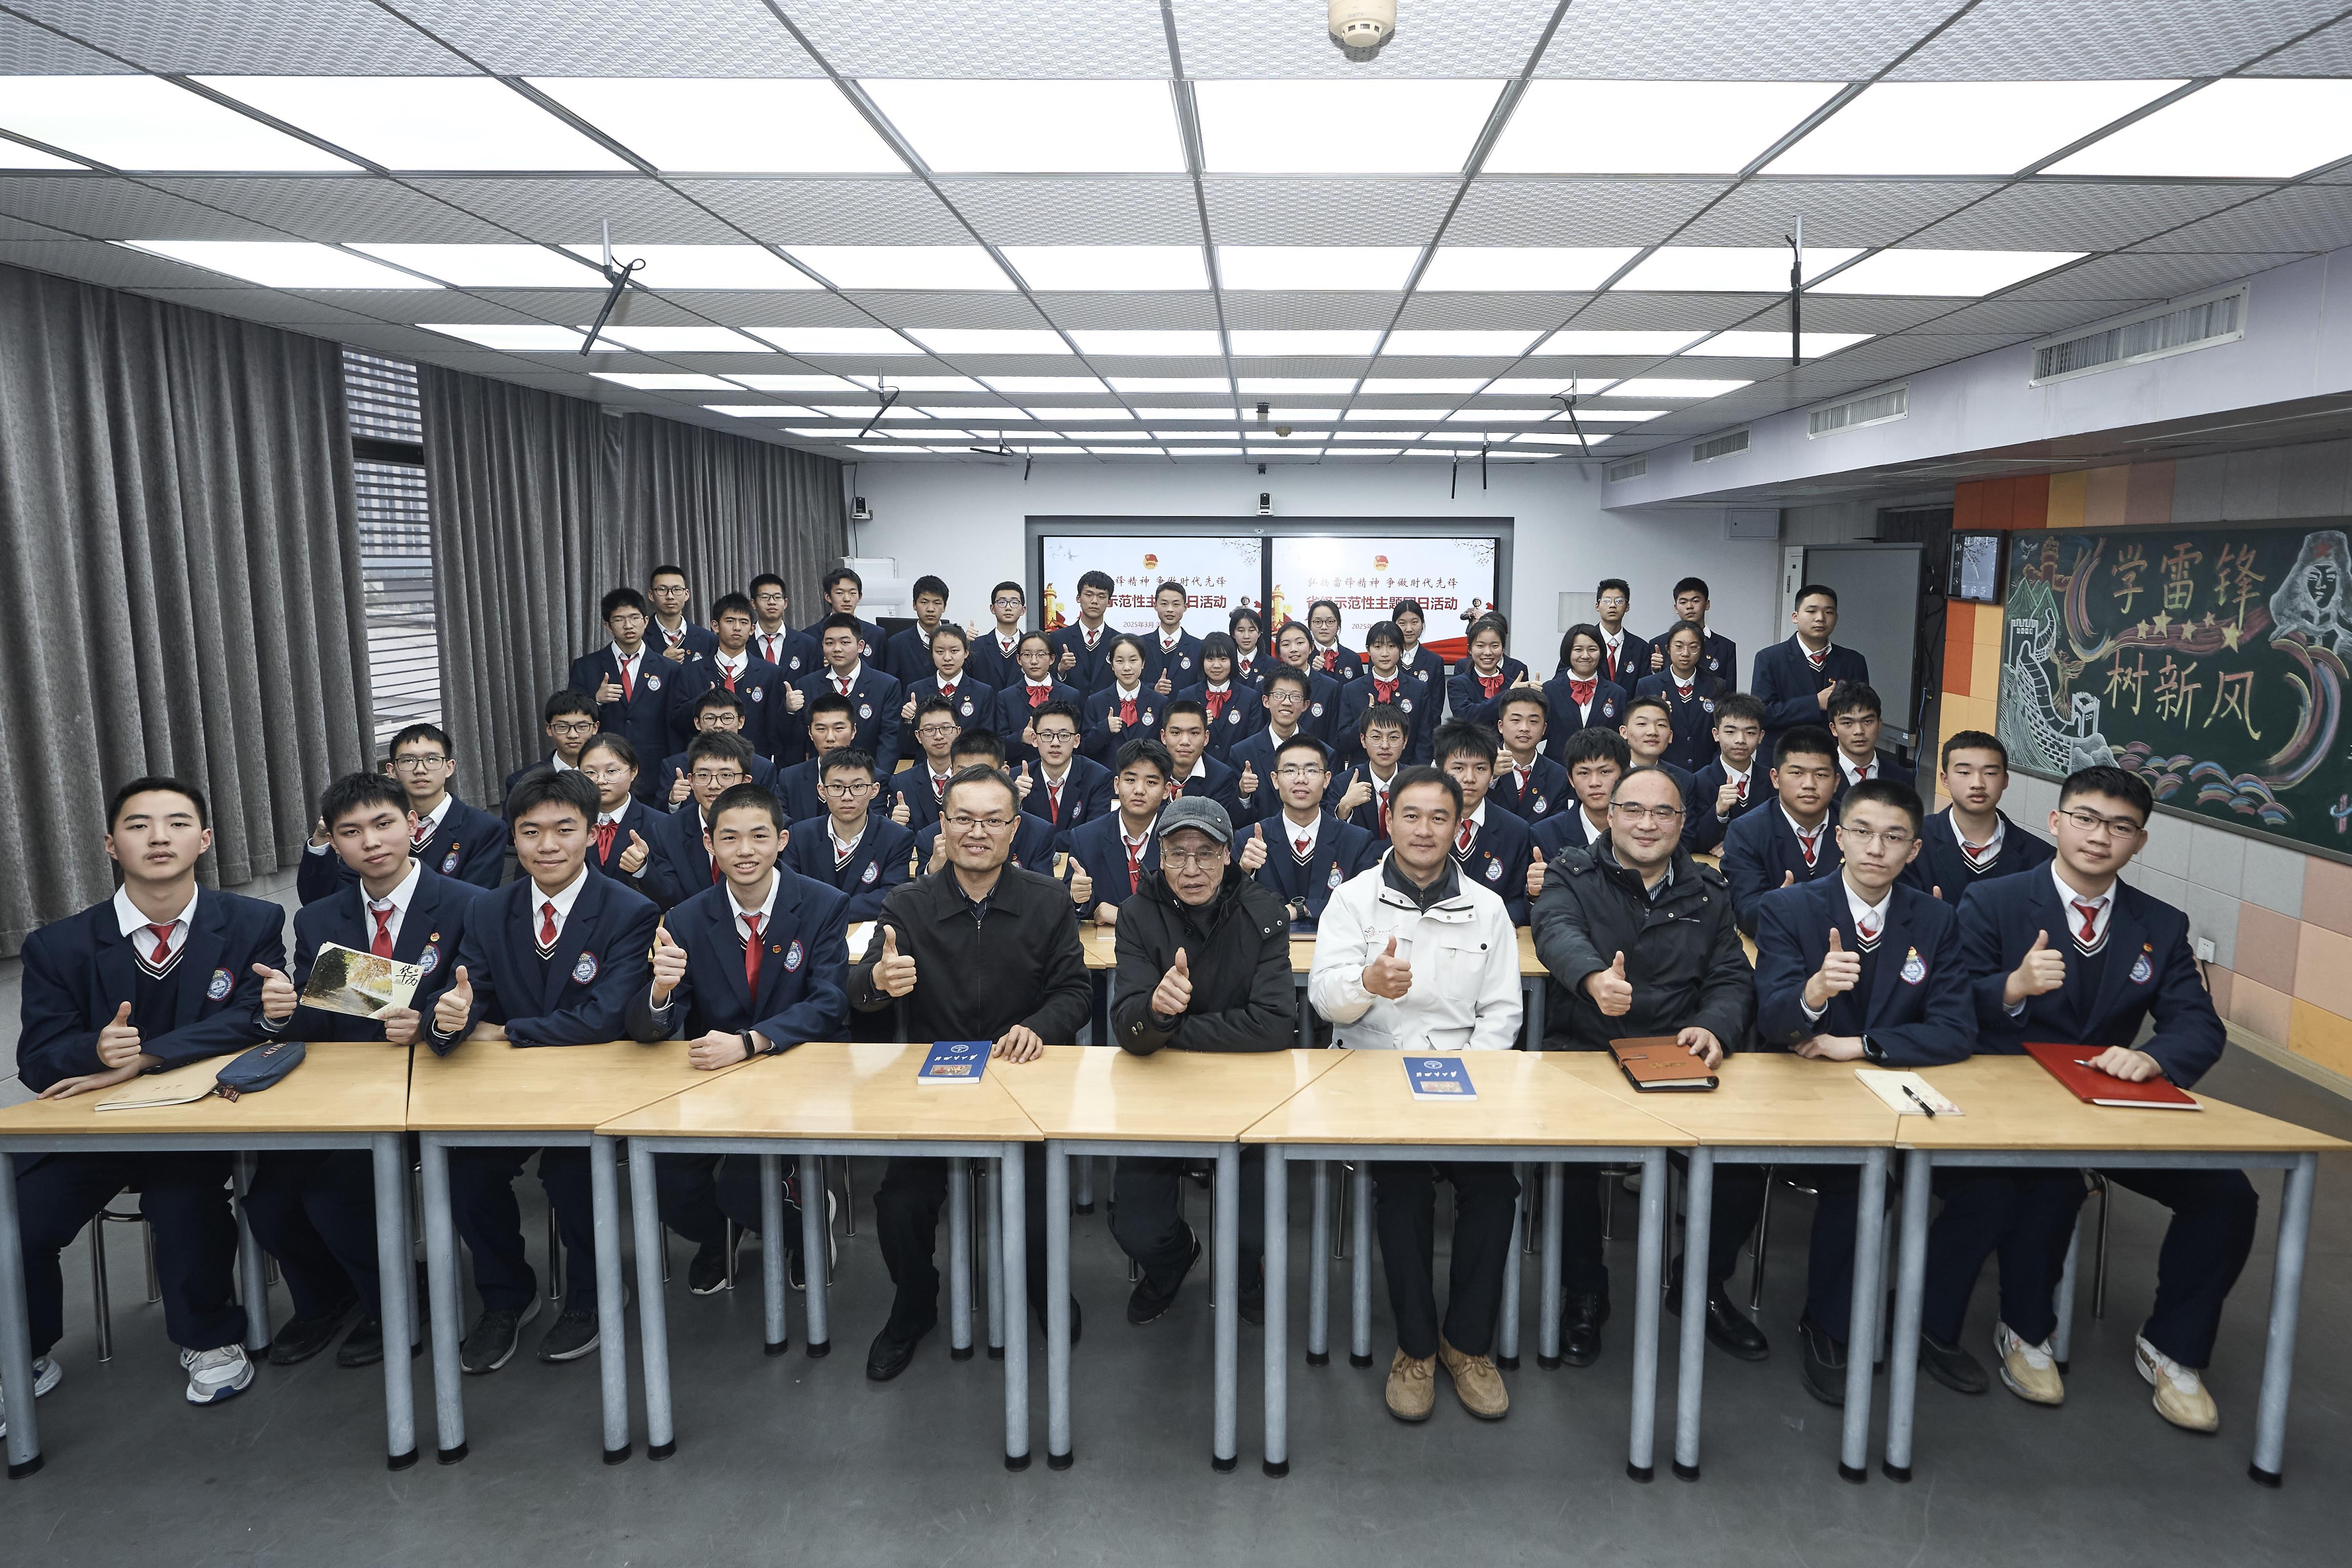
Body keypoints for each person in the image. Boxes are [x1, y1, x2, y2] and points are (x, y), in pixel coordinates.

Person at [1954, 766, 2246, 1432]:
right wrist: (2012, 987)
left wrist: (2155, 1056)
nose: (2098, 836)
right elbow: (1948, 1004)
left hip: (2110, 1103)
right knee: (2051, 1185)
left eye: (2119, 826)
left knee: (2226, 1193)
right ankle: (2026, 1334)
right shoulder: (1993, 902)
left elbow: (2198, 1024)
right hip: (2015, 1100)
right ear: (2055, 823)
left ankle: (2172, 1347)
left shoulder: (2161, 924)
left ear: (2139, 842)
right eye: (2084, 818)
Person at [11, 778, 286, 1417]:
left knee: (185, 1202)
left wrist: (145, 1056)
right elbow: (37, 1060)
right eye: (138, 825)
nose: (159, 836)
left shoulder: (252, 921)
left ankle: (209, 1336)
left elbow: (256, 1017)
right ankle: (21, 1352)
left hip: (199, 1119)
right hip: (94, 1126)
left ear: (205, 839)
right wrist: (93, 1053)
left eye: (177, 822)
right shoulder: (58, 944)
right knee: (20, 1217)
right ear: (111, 843)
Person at [850, 765, 1092, 1379]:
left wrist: (1041, 1025)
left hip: (1025, 1078)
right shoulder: (907, 903)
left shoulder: (1046, 900)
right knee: (899, 1205)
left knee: (1040, 1200)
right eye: (963, 818)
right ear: (943, 824)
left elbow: (1075, 991)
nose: (976, 832)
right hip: (937, 1087)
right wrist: (878, 983)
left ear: (1015, 829)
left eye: (992, 820)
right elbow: (857, 987)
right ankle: (914, 1302)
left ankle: (1042, 1285)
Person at [1307, 768, 1523, 1422]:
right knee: (1400, 1187)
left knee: (1495, 1189)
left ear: (1458, 826)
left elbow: (1503, 1013)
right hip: (1375, 1075)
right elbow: (1325, 1000)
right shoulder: (1353, 900)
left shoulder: (1488, 907)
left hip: (1466, 1081)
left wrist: (1465, 1077)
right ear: (1389, 822)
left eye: (1438, 817)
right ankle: (1416, 1346)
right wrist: (1369, 982)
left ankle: (1469, 1344)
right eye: (1411, 815)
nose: (1424, 829)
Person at [1751, 779, 1975, 1405]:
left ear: (1914, 849)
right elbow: (1772, 1019)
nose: (1877, 848)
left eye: (1895, 837)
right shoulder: (1789, 908)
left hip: (1895, 1082)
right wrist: (1814, 994)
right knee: (1863, 1179)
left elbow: (1956, 1028)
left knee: (1990, 1181)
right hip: (1805, 1090)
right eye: (1864, 833)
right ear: (1840, 836)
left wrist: (1864, 1044)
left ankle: (1929, 1320)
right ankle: (1828, 1324)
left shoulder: (1936, 919)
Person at [1530, 764, 1760, 1367]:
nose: (1647, 823)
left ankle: (1699, 1284)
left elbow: (1733, 976)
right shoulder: (1572, 870)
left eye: (1664, 813)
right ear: (1610, 813)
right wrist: (1592, 977)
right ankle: (1584, 1290)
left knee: (1745, 1159)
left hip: (1676, 1054)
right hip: (1588, 1045)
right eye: (1633, 809)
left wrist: (1716, 1025)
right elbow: (1554, 929)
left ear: (1683, 823)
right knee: (1565, 1161)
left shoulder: (1709, 891)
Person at [249, 773, 482, 1370]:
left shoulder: (468, 903)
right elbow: (320, 1018)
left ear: (412, 823)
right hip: (337, 1089)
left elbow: (478, 998)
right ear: (335, 840)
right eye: (350, 832)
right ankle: (327, 1297)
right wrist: (282, 1012)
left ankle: (394, 1300)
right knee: (268, 1202)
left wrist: (430, 1020)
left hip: (431, 1084)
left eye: (384, 824)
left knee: (335, 1194)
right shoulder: (317, 917)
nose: (371, 842)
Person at [429, 770, 659, 1370]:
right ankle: (507, 1296)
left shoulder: (630, 910)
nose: (548, 845)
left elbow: (604, 1017)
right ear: (514, 837)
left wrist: (505, 1031)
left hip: (592, 1089)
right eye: (531, 832)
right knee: (466, 1173)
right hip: (507, 1091)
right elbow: (464, 989)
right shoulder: (488, 909)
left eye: (564, 829)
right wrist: (449, 1020)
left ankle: (592, 1292)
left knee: (573, 1174)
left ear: (591, 832)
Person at [629, 782, 850, 1294]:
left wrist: (753, 1041)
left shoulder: (823, 904)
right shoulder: (685, 917)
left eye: (758, 836)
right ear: (710, 844)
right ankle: (719, 1235)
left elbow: (829, 1003)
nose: (744, 850)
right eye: (729, 838)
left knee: (745, 1183)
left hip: (799, 1066)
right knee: (667, 1181)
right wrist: (660, 990)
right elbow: (650, 1027)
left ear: (783, 840)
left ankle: (803, 1224)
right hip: (716, 1078)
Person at [1109, 797, 1295, 1322]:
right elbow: (1130, 1027)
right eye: (1177, 854)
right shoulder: (1137, 914)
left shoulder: (1264, 912)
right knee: (1135, 1227)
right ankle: (1173, 1261)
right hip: (1159, 1087)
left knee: (1253, 1229)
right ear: (1158, 856)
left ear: (1229, 856)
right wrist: (1155, 1014)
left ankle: (1244, 1268)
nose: (1191, 869)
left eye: (1206, 854)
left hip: (1247, 1090)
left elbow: (1277, 1024)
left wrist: (1174, 1028)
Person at [297, 721, 508, 902]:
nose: (420, 769)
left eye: (432, 760)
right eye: (408, 761)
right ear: (391, 771)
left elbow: (474, 901)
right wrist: (320, 842)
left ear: (449, 767)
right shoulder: (369, 828)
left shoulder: (485, 829)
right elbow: (324, 899)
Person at [1721, 726, 1844, 934]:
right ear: (1776, 778)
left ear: (1836, 782)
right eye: (1797, 773)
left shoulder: (1856, 827)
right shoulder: (1747, 832)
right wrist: (1782, 905)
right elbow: (1746, 913)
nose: (1809, 784)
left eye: (1821, 775)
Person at [1904, 731, 2053, 898]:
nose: (1978, 784)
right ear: (1945, 780)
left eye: (1990, 773)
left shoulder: (2041, 857)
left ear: (2005, 780)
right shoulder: (1912, 841)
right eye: (1964, 773)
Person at [1251, 734, 1375, 926]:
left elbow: (1369, 902)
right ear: (1275, 780)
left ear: (1326, 780)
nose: (1301, 779)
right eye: (1290, 771)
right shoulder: (1252, 840)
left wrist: (1305, 908)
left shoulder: (1356, 841)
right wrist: (1244, 871)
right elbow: (1232, 909)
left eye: (1311, 771)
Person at [568, 587, 677, 802]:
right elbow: (573, 719)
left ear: (646, 621)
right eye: (619, 620)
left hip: (653, 771)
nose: (628, 625)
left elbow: (674, 724)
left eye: (634, 618)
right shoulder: (586, 667)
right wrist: (596, 701)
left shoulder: (669, 669)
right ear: (608, 626)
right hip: (604, 773)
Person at [784, 747, 915, 922]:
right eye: (837, 787)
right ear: (822, 791)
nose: (847, 796)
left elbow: (891, 894)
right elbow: (791, 892)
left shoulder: (897, 837)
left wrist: (830, 911)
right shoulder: (799, 835)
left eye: (858, 786)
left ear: (874, 790)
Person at [912, 731, 1060, 876]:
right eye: (964, 774)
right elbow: (918, 896)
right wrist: (933, 870)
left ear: (1005, 773)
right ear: (951, 774)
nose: (973, 784)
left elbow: (1043, 896)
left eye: (983, 774)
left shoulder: (1038, 833)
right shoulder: (930, 838)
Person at [1433, 720, 1535, 925]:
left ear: (1492, 774)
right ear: (1441, 771)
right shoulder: (1423, 825)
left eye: (1480, 768)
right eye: (1459, 768)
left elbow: (1517, 900)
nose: (1469, 778)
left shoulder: (1515, 830)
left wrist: (1500, 924)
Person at [1751, 583, 1868, 762]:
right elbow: (1762, 714)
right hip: (1784, 757)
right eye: (1812, 611)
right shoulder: (1770, 658)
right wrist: (1815, 703)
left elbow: (1862, 713)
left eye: (1828, 612)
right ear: (1795, 617)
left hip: (1833, 758)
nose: (1820, 618)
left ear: (1836, 618)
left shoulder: (1853, 661)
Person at [670, 592, 793, 760]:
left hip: (752, 762)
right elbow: (677, 721)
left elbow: (774, 729)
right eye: (730, 621)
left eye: (744, 622)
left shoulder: (770, 673)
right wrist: (702, 701)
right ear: (715, 626)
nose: (737, 628)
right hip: (705, 762)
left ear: (752, 629)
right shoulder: (690, 671)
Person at [1065, 737, 1171, 926]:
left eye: (1151, 783)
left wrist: (1122, 916)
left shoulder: (1177, 837)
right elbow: (1067, 912)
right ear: (1117, 784)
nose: (1139, 790)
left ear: (1166, 790)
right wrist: (1077, 898)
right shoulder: (1085, 838)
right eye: (1130, 780)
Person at [641, 732, 754, 908]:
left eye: (726, 776)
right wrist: (641, 868)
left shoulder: (769, 829)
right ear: (691, 781)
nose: (714, 785)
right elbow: (669, 897)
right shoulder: (666, 832)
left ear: (745, 781)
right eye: (703, 775)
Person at [797, 611, 903, 775]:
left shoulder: (886, 685)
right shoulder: (806, 685)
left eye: (845, 642)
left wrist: (876, 780)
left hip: (868, 779)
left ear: (861, 646)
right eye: (830, 643)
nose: (837, 649)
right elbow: (799, 738)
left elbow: (890, 739)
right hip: (820, 778)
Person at [1634, 620, 1728, 774]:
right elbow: (1638, 734)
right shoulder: (1648, 686)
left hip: (1706, 773)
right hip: (1661, 773)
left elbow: (1722, 732)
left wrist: (1714, 771)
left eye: (1693, 647)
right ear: (1668, 650)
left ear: (1702, 650)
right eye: (1678, 647)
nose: (1685, 653)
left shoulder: (1717, 686)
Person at [658, 689, 781, 807]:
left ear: (741, 722)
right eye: (710, 718)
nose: (719, 725)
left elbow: (771, 814)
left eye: (727, 718)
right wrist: (673, 802)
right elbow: (660, 816)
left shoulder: (763, 768)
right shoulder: (674, 765)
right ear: (697, 723)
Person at [1336, 621, 1432, 767]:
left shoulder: (1418, 689)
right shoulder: (1351, 689)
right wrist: (1365, 718)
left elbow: (1425, 740)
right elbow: (1343, 743)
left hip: (1407, 773)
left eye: (1392, 646)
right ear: (1368, 650)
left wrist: (1416, 775)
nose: (1385, 654)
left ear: (1401, 650)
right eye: (1378, 646)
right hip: (1363, 773)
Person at [1682, 693, 1769, 854]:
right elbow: (1693, 841)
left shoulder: (1773, 780)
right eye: (1730, 732)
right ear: (1716, 734)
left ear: (1761, 736)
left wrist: (1735, 844)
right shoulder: (1699, 781)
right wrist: (1718, 811)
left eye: (1750, 733)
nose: (1740, 740)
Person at [575, 733, 661, 895]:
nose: (601, 780)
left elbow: (672, 894)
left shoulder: (660, 825)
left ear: (634, 771)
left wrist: (642, 869)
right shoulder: (568, 824)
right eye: (590, 773)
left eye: (612, 771)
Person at [1228, 669, 1318, 823]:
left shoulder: (1321, 753)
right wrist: (1244, 793)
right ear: (1266, 701)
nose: (1287, 702)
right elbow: (1235, 820)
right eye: (1279, 695)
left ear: (1305, 705)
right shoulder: (1242, 753)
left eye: (1295, 697)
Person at [1531, 728, 1628, 866]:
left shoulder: (1641, 828)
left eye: (1605, 772)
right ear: (1571, 779)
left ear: (1625, 774)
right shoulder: (1546, 835)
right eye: (1584, 773)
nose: (1595, 783)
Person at [1017, 700, 1112, 839]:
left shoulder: (1098, 778)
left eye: (1064, 736)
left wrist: (1041, 843)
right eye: (1047, 735)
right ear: (1034, 739)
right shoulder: (1016, 779)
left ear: (1076, 741)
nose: (1055, 743)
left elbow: (1094, 834)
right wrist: (1014, 802)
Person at [775, 693, 874, 824]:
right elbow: (781, 825)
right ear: (810, 732)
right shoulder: (790, 778)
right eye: (821, 729)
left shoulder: (873, 778)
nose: (830, 737)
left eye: (839, 728)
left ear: (854, 731)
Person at [1540, 624, 1628, 761]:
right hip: (1558, 770)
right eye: (1578, 650)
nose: (1585, 656)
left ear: (1601, 653)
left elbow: (1622, 738)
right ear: (1568, 652)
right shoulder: (1550, 690)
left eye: (1592, 649)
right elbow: (1540, 733)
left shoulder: (1617, 693)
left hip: (1602, 770)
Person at [997, 629, 1081, 768]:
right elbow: (998, 744)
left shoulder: (1071, 695)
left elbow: (1079, 740)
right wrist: (1020, 738)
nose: (1034, 661)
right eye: (1027, 655)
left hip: (1062, 771)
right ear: (1019, 659)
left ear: (1052, 659)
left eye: (1041, 655)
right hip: (1020, 772)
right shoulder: (1006, 697)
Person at [1177, 631, 1265, 760]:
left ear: (1233, 661)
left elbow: (1254, 742)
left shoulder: (1250, 698)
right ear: (1202, 661)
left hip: (1237, 772)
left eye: (1223, 659)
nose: (1216, 665)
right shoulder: (1187, 696)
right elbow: (1178, 737)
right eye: (1210, 659)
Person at [902, 623, 996, 740]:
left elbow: (986, 740)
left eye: (954, 651)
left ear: (966, 653)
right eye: (940, 652)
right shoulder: (916, 690)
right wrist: (908, 720)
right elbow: (907, 746)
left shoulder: (983, 692)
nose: (947, 658)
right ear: (932, 653)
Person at [1336, 704, 1412, 846]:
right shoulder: (1342, 783)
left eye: (1394, 737)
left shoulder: (1417, 784)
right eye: (1376, 737)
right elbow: (1330, 837)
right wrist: (1344, 807)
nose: (1385, 745)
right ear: (1363, 740)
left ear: (1405, 742)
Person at [1157, 699, 1245, 822]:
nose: (1185, 741)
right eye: (1176, 733)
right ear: (1164, 737)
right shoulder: (1151, 771)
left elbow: (1216, 827)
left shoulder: (1221, 777)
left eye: (1194, 733)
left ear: (1206, 738)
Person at [1489, 689, 1568, 825]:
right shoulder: (1481, 768)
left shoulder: (1559, 776)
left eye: (1533, 721)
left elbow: (1558, 826)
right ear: (1501, 726)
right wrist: (1491, 776)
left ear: (1544, 729)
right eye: (1516, 720)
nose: (1524, 728)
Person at [1080, 635, 1164, 763]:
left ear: (1143, 663)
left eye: (1133, 660)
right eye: (1120, 661)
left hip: (1146, 777)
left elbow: (1164, 746)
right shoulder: (1096, 702)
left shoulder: (1159, 702)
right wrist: (1105, 729)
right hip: (1109, 779)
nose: (1127, 668)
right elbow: (1085, 749)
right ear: (1112, 665)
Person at [505, 689, 599, 796]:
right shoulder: (520, 782)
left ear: (595, 728)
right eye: (563, 727)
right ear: (549, 729)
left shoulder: (613, 778)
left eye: (582, 727)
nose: (573, 735)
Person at [1826, 681, 1913, 793]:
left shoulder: (1903, 779)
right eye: (1848, 723)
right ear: (1834, 729)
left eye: (1867, 721)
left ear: (1880, 724)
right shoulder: (1819, 778)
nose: (1859, 731)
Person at [1647, 578, 1736, 682]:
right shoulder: (1659, 644)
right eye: (1683, 602)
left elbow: (1730, 693)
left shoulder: (1726, 647)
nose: (1690, 606)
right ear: (1676, 608)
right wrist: (1655, 671)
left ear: (1707, 604)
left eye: (1696, 601)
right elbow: (1648, 688)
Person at [1272, 620, 1345, 745]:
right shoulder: (1266, 687)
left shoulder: (1331, 688)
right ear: (1278, 652)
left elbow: (1334, 737)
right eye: (1286, 645)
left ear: (1312, 647)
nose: (1294, 649)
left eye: (1300, 643)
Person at [1049, 568, 1118, 693]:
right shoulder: (1058, 638)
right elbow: (1046, 681)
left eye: (1101, 596)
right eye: (1089, 595)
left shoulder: (1119, 641)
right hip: (1068, 709)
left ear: (1109, 602)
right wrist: (1060, 669)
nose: (1094, 601)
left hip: (1108, 710)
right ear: (1078, 598)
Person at [1618, 694, 1696, 802]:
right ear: (1624, 732)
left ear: (1670, 736)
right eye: (1642, 724)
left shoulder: (1684, 780)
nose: (1653, 732)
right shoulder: (1610, 775)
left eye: (1661, 725)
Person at [882, 574, 953, 687]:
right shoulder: (897, 644)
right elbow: (892, 687)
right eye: (924, 602)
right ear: (914, 605)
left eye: (937, 603)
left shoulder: (956, 641)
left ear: (944, 607)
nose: (930, 609)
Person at [748, 572, 819, 682]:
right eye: (765, 597)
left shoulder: (807, 645)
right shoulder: (743, 642)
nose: (772, 602)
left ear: (785, 603)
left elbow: (815, 686)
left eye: (777, 597)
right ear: (753, 603)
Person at [646, 563, 718, 664]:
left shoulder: (708, 639)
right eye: (662, 590)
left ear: (687, 595)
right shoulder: (639, 637)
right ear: (651, 595)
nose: (670, 596)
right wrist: (663, 660)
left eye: (677, 590)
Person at [810, 566, 885, 661]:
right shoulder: (810, 636)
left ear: (860, 596)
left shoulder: (876, 634)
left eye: (853, 593)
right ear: (828, 596)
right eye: (840, 593)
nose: (847, 599)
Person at [1140, 580, 1201, 694]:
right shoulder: (1140, 644)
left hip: (1185, 710)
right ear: (1155, 606)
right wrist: (1154, 689)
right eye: (1164, 604)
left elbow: (1202, 687)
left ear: (1185, 607)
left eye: (1176, 604)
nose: (1170, 609)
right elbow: (1130, 682)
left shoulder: (1198, 647)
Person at [968, 580, 1030, 691]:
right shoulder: (976, 646)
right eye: (1002, 602)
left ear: (1023, 610)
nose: (1008, 607)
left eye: (1014, 603)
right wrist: (963, 644)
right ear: (993, 609)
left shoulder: (1031, 648)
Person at [1591, 579, 1651, 689]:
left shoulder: (1641, 648)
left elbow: (1645, 689)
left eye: (1619, 601)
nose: (1613, 605)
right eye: (1607, 601)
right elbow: (1562, 678)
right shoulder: (1585, 641)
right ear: (1597, 606)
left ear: (1627, 607)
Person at [1391, 598, 1446, 691]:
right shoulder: (1383, 658)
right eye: (1402, 623)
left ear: (1422, 624)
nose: (1409, 629)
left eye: (1414, 622)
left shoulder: (1435, 661)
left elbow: (1436, 703)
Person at [1303, 599, 1362, 682]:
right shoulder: (1303, 658)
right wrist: (1311, 672)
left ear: (1339, 625)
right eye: (1317, 622)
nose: (1324, 627)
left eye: (1330, 622)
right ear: (1310, 626)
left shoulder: (1353, 659)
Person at [1227, 604, 1270, 688]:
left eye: (1251, 630)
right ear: (1233, 634)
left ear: (1259, 633)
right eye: (1241, 630)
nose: (1246, 636)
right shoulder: (1226, 663)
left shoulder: (1272, 665)